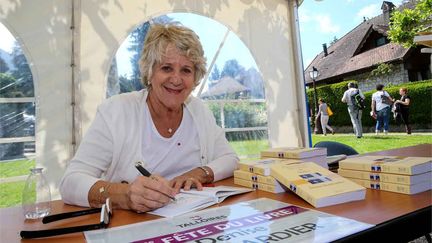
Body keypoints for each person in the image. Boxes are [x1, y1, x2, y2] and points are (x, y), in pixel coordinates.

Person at [60, 24, 238, 212]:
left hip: (191, 224)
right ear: (150, 72)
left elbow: (230, 158)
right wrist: (125, 195)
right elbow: (70, 182)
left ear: (195, 78)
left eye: (186, 70)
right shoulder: (116, 111)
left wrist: (200, 173)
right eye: (167, 68)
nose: (176, 79)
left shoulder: (199, 111)